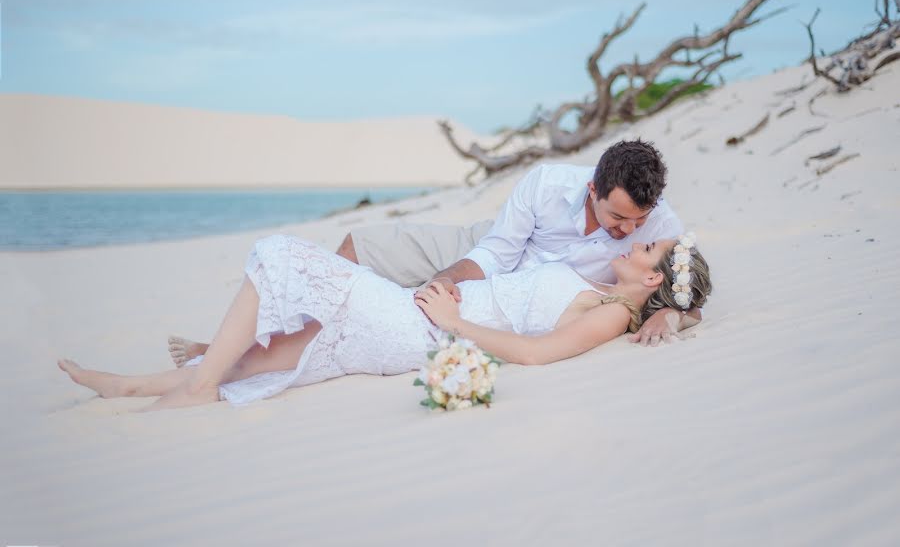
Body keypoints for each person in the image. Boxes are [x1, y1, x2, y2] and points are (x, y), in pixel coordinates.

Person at [57, 232, 712, 411]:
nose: (636, 243)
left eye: (647, 248)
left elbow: (535, 355)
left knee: (279, 253)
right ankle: (135, 387)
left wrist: (456, 323)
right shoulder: (605, 287)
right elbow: (683, 302)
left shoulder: (604, 314)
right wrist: (680, 315)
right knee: (273, 353)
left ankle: (195, 387)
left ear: (652, 279)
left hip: (428, 326)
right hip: (420, 324)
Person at [336, 139, 699, 346]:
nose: (628, 231)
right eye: (618, 218)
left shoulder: (663, 227)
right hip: (496, 249)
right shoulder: (545, 184)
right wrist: (447, 278)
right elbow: (495, 253)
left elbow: (689, 290)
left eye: (640, 220)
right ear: (593, 190)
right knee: (359, 245)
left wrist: (671, 314)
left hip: (544, 298)